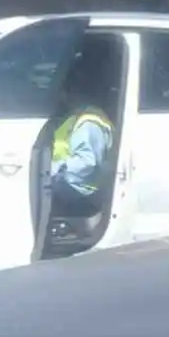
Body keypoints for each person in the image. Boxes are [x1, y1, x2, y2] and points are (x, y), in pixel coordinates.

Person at [48, 49, 117, 217]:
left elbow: (86, 163)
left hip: (81, 189)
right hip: (71, 181)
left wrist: (52, 170)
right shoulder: (74, 116)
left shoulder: (89, 122)